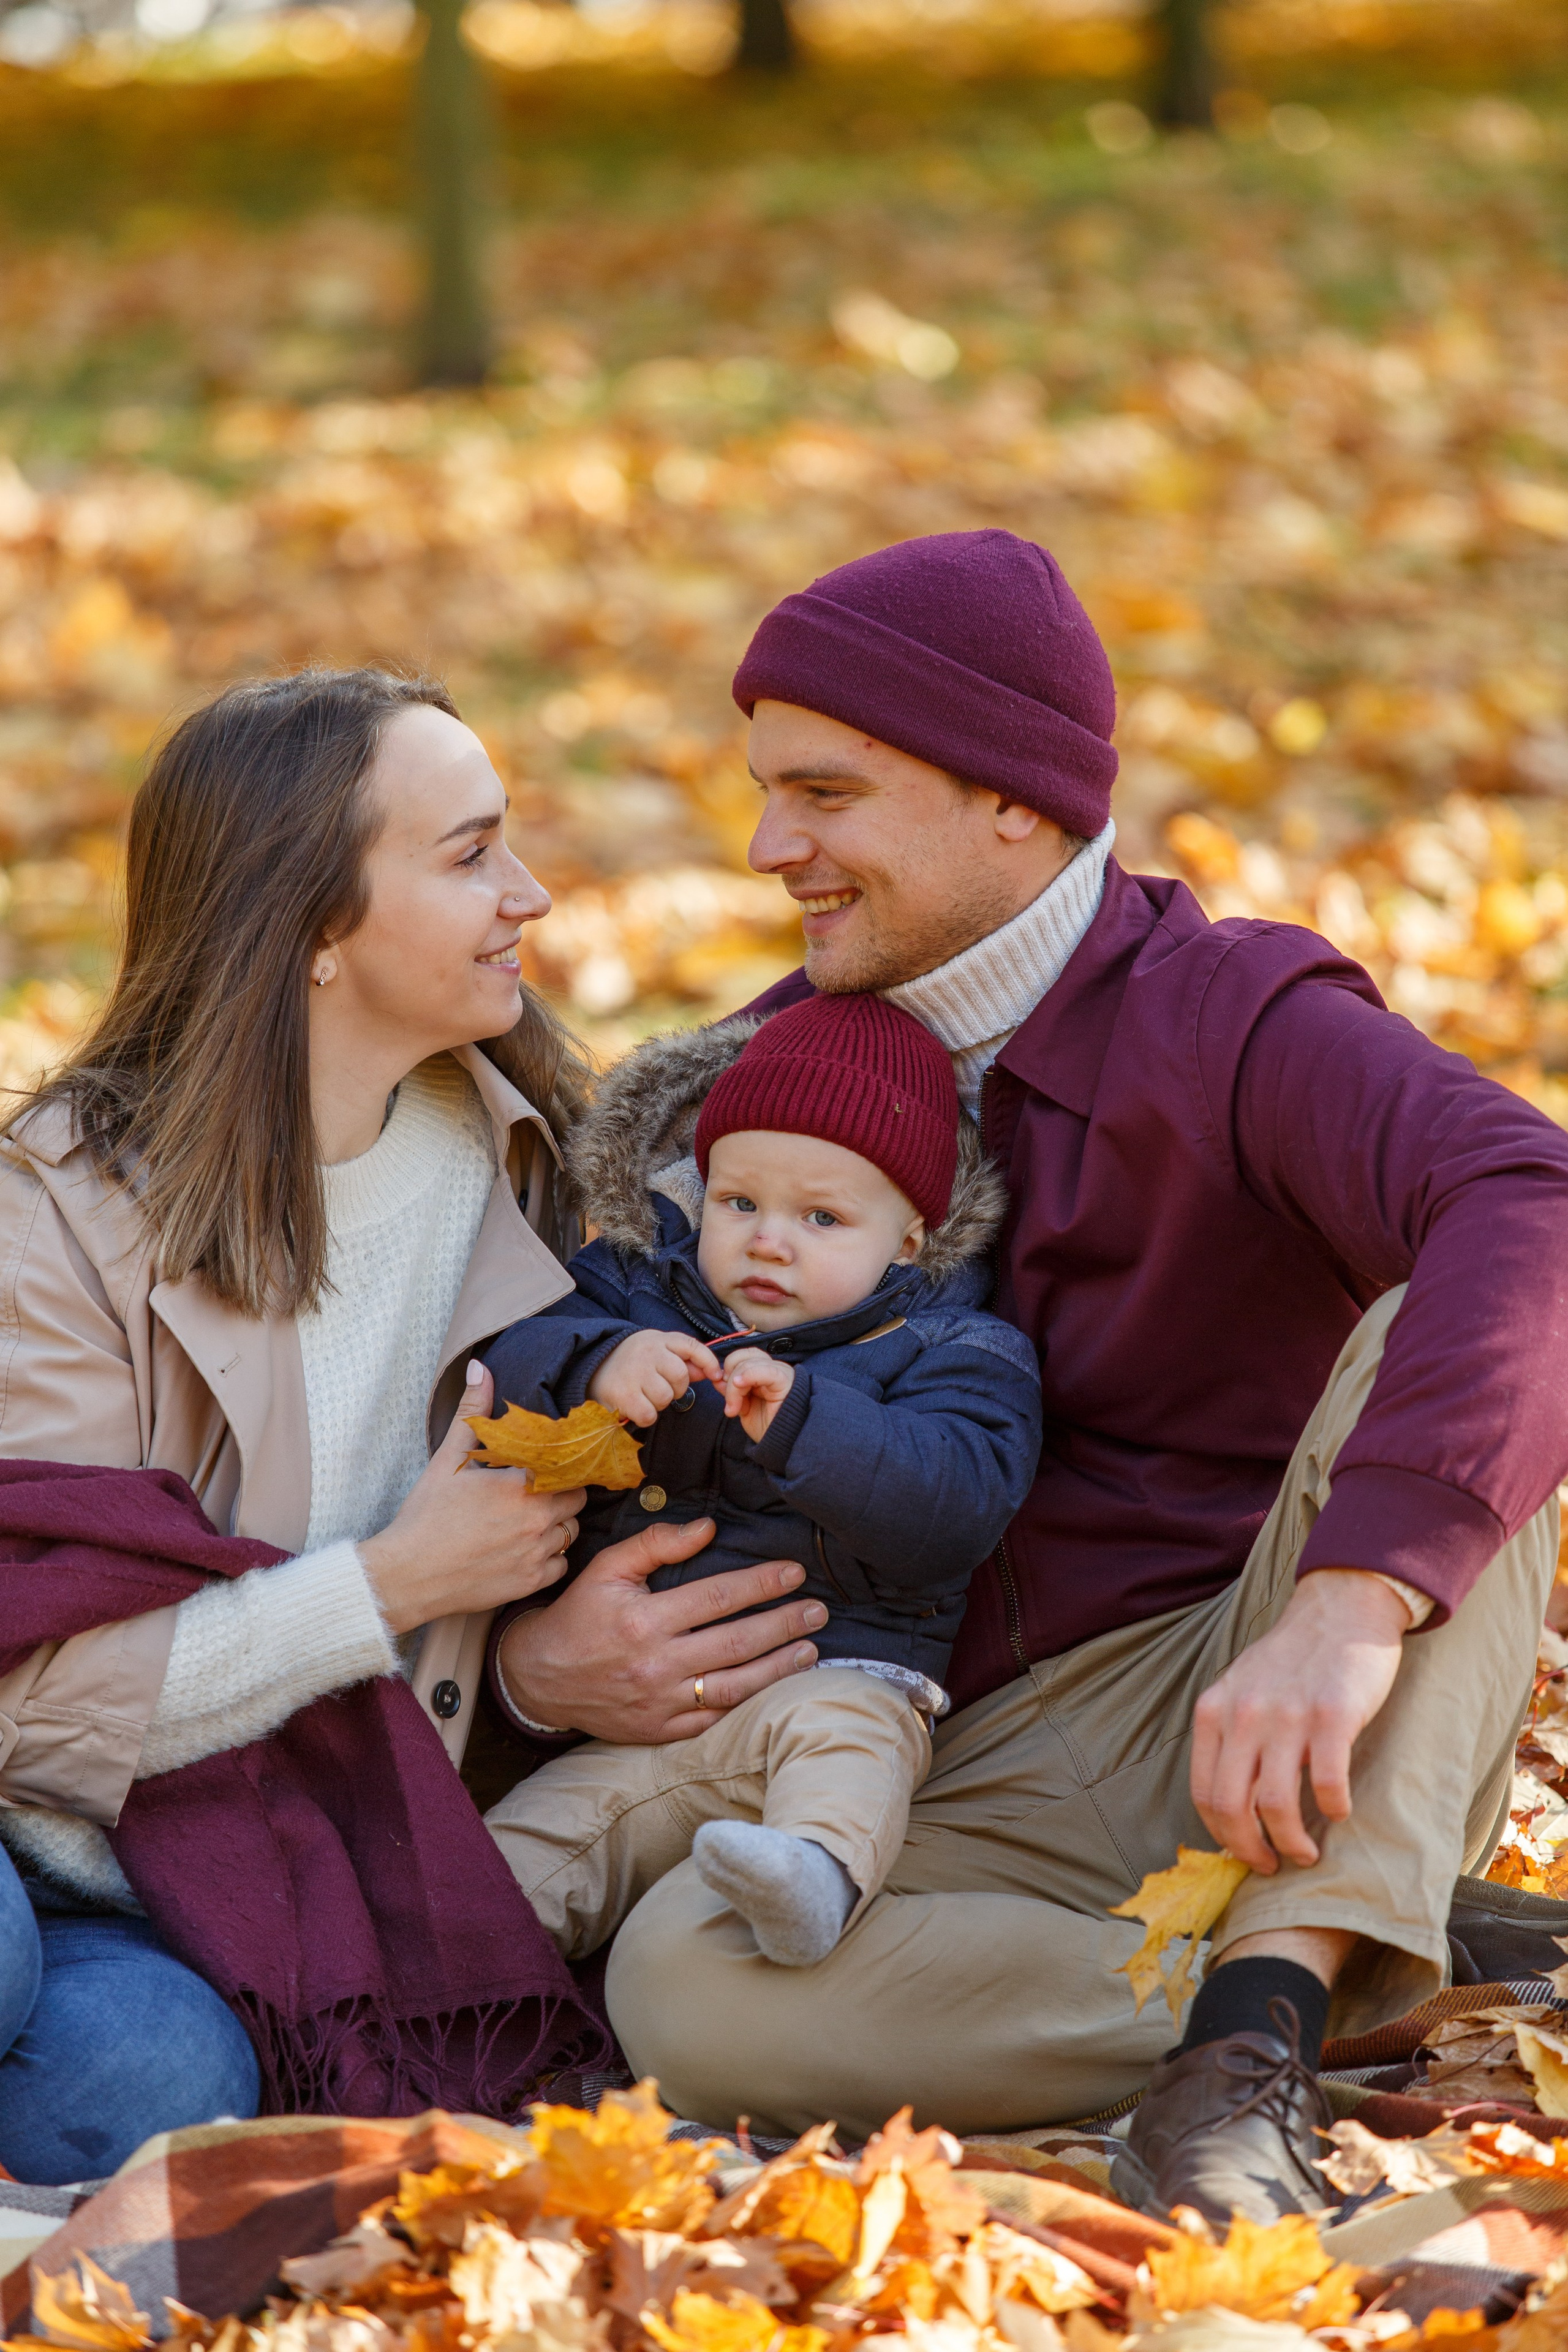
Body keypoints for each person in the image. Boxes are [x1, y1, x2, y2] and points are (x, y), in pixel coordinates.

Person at [486, 530, 1568, 2223]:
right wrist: (545, 1669)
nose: (773, 848)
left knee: (1472, 1321)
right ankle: (1350, 1956)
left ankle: (1257, 2043)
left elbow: (1533, 1200)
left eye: (826, 794)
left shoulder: (1226, 1014)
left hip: (1244, 1690)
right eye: (767, 791)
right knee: (681, 1985)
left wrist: (1346, 1611)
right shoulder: (772, 1072)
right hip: (917, 1750)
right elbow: (577, 1366)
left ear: (1011, 799)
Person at [0, 666, 827, 2184]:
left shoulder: (529, 1173)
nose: (533, 893)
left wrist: (523, 1667)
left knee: (153, 2090)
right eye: (467, 855)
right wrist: (396, 1584)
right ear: (311, 924)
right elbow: (35, 1704)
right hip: (22, 1820)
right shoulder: (59, 1216)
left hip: (211, 1873)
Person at [479, 992, 1041, 1967]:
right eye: (740, 1204)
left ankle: (810, 1875)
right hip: (625, 1727)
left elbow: (956, 1504)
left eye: (822, 1217)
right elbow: (506, 1362)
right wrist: (597, 1364)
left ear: (910, 1238)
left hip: (827, 1682)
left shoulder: (956, 1348)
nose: (770, 1240)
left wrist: (811, 1421)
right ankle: (447, 2006)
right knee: (506, 1871)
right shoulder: (633, 1291)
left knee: (850, 1748)